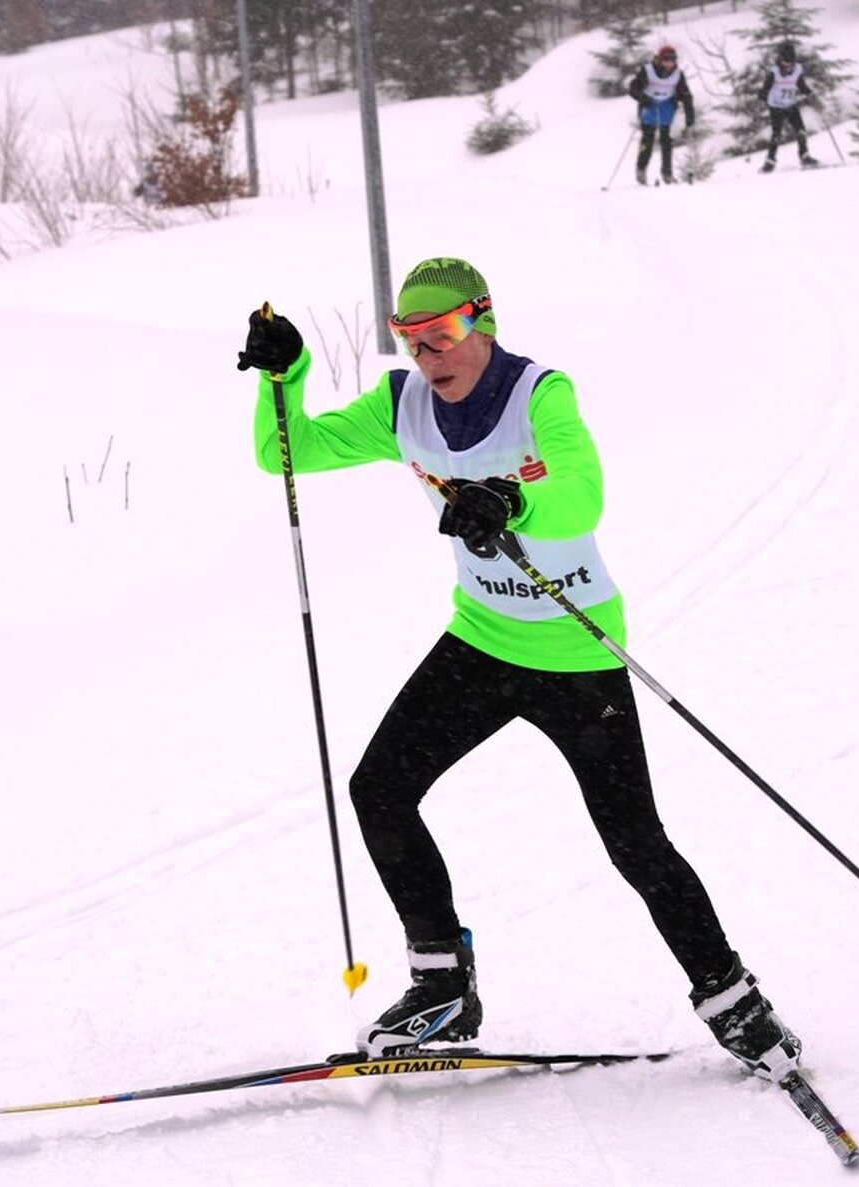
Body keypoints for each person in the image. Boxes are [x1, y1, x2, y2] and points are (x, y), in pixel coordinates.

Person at [238, 257, 802, 1083]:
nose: (432, 355)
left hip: (576, 654)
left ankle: (733, 998)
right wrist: (283, 379)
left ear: (484, 322)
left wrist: (510, 498)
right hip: (483, 642)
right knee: (380, 788)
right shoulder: (403, 404)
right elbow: (289, 453)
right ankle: (441, 985)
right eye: (412, 340)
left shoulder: (540, 394)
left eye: (445, 334)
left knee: (633, 840)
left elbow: (583, 492)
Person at [628, 44, 695, 186]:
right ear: (660, 59)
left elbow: (685, 95)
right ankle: (641, 169)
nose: (669, 63)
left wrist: (690, 113)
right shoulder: (648, 70)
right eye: (666, 60)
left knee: (666, 139)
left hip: (666, 105)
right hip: (649, 104)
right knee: (648, 138)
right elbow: (633, 87)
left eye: (672, 60)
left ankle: (667, 173)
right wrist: (641, 97)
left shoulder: (678, 74)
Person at [759, 41, 820, 172]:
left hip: (791, 105)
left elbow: (801, 85)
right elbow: (764, 90)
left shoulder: (797, 70)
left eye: (791, 63)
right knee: (776, 135)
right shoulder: (774, 73)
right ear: (781, 60)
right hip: (776, 107)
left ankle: (805, 156)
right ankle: (769, 162)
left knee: (801, 131)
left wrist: (810, 94)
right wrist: (763, 96)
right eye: (786, 63)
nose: (789, 67)